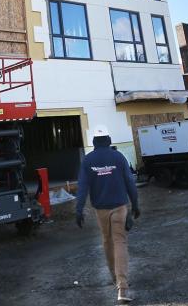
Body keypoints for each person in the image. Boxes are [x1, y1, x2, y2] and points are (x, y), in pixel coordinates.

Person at [75, 125, 140, 303]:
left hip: (101, 209)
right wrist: (135, 205)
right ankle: (122, 288)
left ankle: (114, 278)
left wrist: (78, 210)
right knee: (120, 242)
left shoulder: (88, 160)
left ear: (94, 142)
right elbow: (130, 182)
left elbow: (82, 188)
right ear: (109, 140)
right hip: (120, 207)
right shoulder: (118, 157)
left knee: (107, 241)